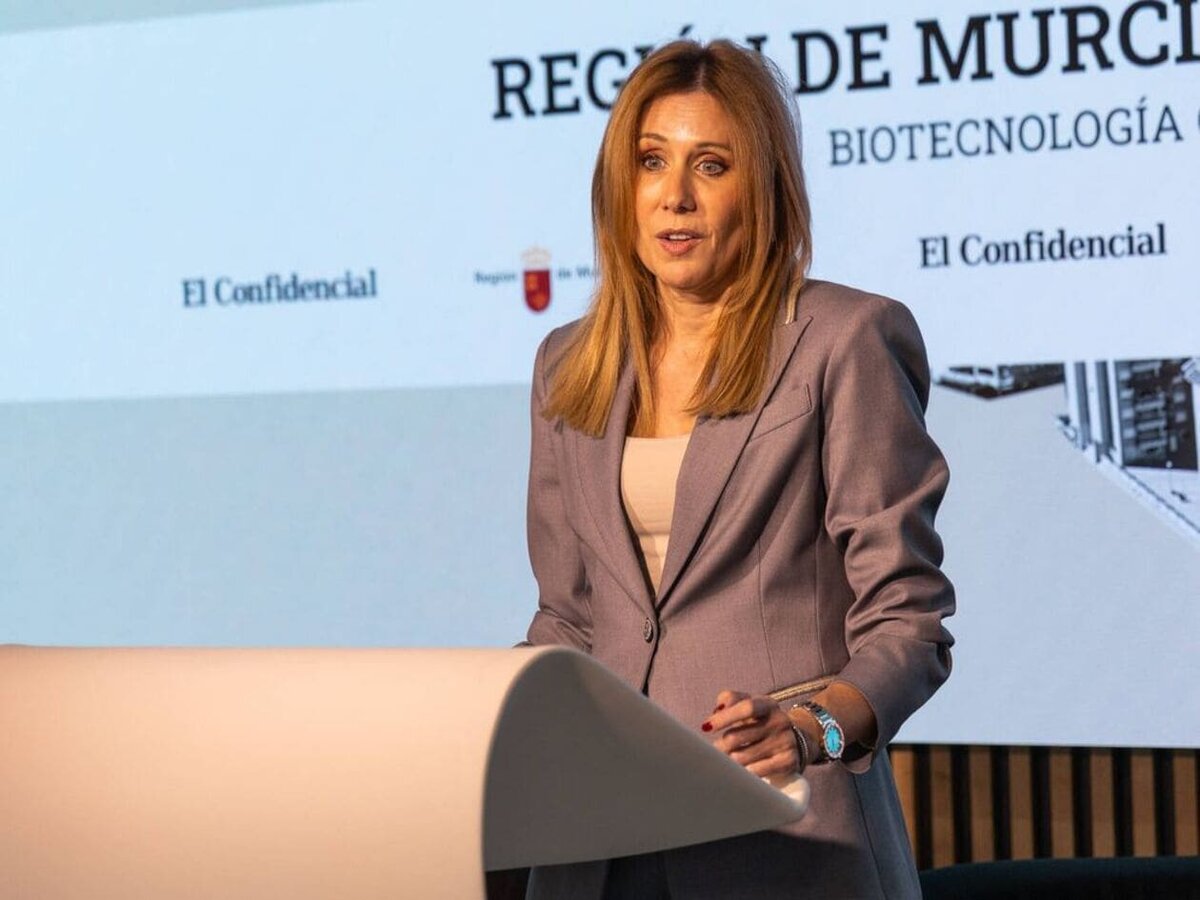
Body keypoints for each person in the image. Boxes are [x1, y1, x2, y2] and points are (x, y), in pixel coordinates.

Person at [520, 38, 955, 900]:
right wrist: (485, 722)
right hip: (594, 844)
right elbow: (568, 621)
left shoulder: (845, 340)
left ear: (762, 186)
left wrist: (810, 730)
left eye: (710, 165)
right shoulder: (568, 363)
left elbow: (909, 624)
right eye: (651, 162)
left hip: (783, 839)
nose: (675, 195)